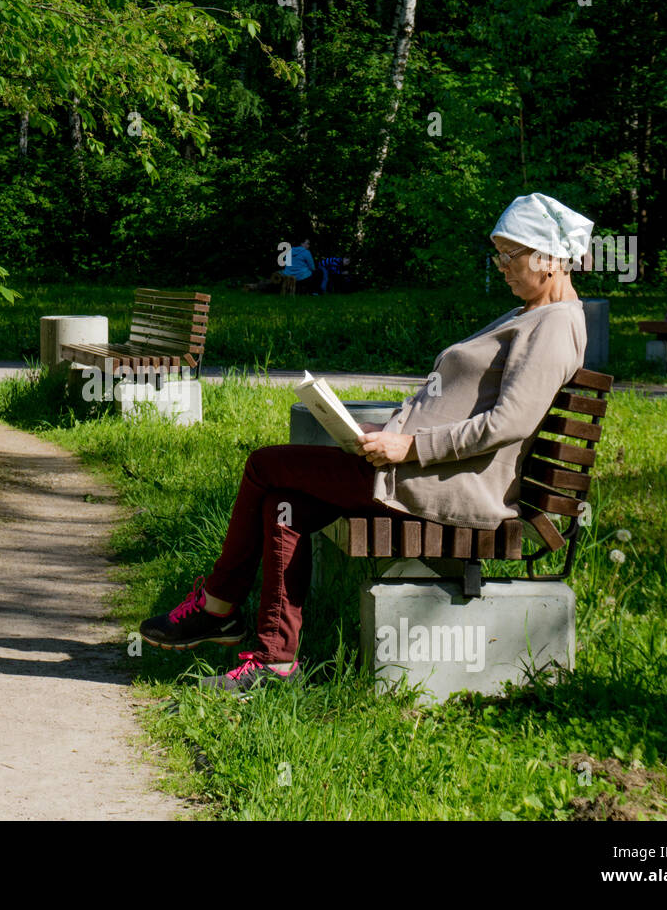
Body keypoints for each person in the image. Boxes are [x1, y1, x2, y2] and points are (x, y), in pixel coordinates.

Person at [140, 193, 592, 692]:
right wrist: (389, 434)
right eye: (497, 254)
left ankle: (218, 606)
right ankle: (274, 660)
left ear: (550, 258)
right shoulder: (530, 314)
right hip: (413, 471)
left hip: (443, 484)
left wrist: (409, 448)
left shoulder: (554, 325)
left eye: (510, 255)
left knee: (264, 465)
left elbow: (509, 423)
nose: (501, 266)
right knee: (283, 501)